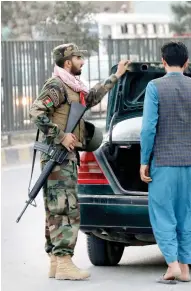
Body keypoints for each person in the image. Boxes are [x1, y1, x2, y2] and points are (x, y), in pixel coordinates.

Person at [29, 43, 130, 280]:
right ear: (67, 62)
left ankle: (56, 260)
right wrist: (61, 135)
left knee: (57, 207)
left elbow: (91, 98)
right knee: (65, 208)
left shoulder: (72, 87)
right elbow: (36, 112)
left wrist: (116, 76)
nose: (82, 61)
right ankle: (64, 261)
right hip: (58, 156)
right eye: (78, 57)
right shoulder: (56, 85)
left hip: (64, 157)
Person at [139, 41, 191, 284]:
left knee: (163, 214)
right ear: (186, 62)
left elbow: (148, 128)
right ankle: (185, 267)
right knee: (190, 215)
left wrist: (144, 160)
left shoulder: (154, 87)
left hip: (165, 161)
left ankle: (172, 265)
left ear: (162, 61)